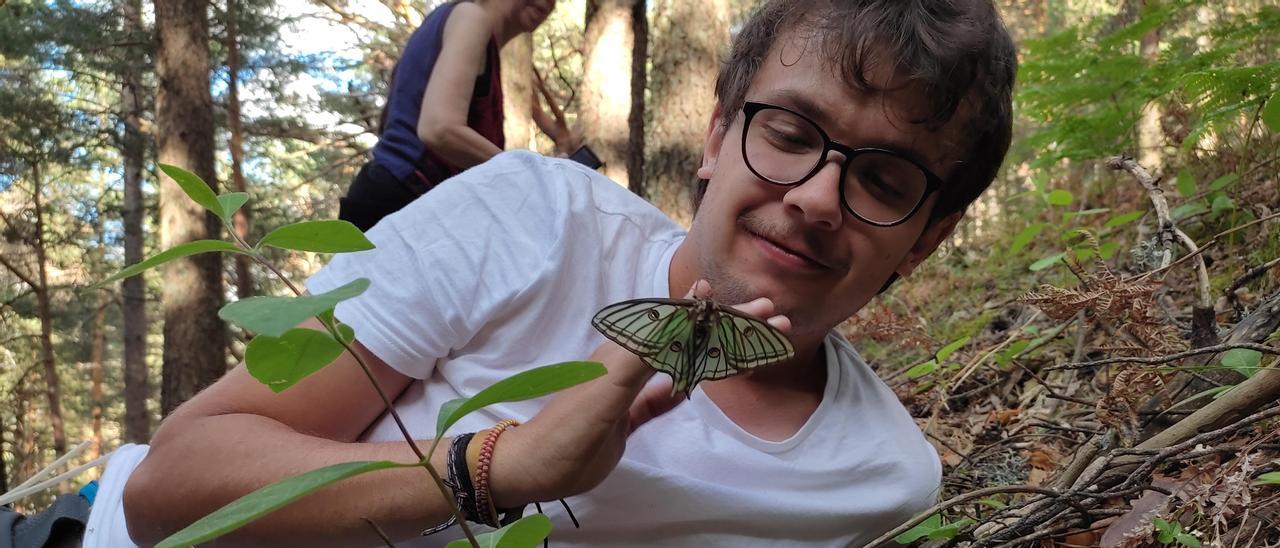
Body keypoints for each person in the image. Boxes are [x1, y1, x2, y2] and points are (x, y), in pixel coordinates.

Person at [111, 0, 1017, 545]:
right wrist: (501, 465)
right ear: (715, 137)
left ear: (928, 237)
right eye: (788, 133)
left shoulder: (879, 480)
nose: (819, 197)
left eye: (886, 179)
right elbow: (171, 491)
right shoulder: (527, 219)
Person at [340, 0, 573, 231]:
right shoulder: (471, 18)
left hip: (396, 204)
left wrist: (557, 151)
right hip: (399, 205)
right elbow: (439, 129)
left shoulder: (460, 27)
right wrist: (530, 176)